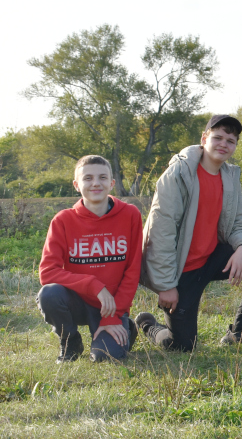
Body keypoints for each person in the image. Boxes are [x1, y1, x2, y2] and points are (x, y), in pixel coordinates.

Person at [136, 115, 242, 352]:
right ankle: (149, 325)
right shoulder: (178, 175)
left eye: (231, 141)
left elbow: (239, 221)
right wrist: (165, 285)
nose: (224, 144)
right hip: (181, 270)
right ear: (204, 139)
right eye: (218, 138)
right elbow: (160, 233)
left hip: (212, 258)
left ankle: (238, 333)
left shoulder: (230, 177)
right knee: (183, 346)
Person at [36, 155, 143, 363]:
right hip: (76, 301)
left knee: (104, 357)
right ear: (76, 185)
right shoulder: (63, 220)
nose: (96, 183)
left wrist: (114, 315)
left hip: (111, 305)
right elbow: (47, 272)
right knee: (49, 294)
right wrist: (94, 286)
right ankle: (70, 342)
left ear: (112, 183)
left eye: (103, 177)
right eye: (88, 178)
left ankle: (127, 327)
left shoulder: (130, 215)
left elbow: (133, 270)